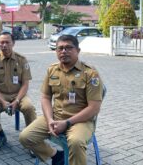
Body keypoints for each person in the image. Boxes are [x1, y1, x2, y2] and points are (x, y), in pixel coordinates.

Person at [19, 35, 103, 165]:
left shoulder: (90, 73)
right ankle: (56, 156)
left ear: (78, 51)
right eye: (60, 48)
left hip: (81, 121)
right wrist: (50, 119)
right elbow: (45, 97)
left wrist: (67, 123)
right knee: (26, 137)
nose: (64, 51)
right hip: (56, 117)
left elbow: (94, 108)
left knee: (75, 142)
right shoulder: (52, 70)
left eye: (69, 48)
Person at [0, 32, 36, 151]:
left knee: (29, 107)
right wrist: (3, 101)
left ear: (13, 43)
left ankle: (31, 139)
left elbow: (25, 84)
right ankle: (0, 135)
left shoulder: (22, 60)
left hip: (19, 95)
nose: (4, 45)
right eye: (1, 42)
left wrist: (17, 100)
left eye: (7, 42)